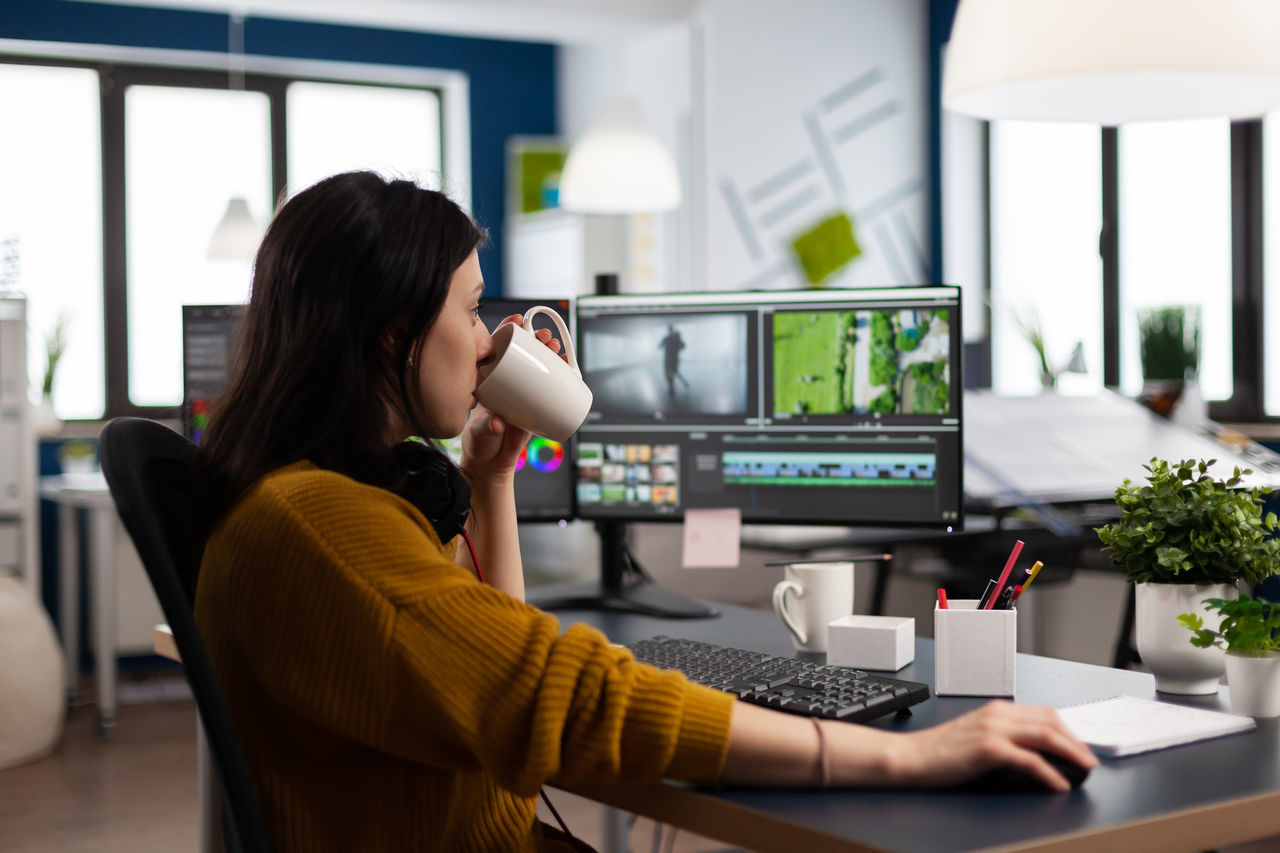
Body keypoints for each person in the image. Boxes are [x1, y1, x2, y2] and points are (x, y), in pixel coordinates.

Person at [195, 171, 1096, 853]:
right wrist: (909, 756)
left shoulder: (324, 502)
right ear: (393, 335)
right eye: (471, 311)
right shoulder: (325, 529)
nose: (485, 340)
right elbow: (566, 695)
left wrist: (493, 482)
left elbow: (490, 671)